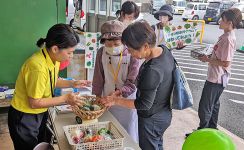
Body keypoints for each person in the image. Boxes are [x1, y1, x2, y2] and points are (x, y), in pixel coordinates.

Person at [8, 23, 91, 150]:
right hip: (25, 116)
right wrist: (65, 99)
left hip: (40, 112)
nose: (71, 56)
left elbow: (52, 80)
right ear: (55, 49)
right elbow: (34, 103)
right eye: (69, 52)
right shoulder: (37, 67)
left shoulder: (53, 59)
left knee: (41, 145)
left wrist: (72, 83)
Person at [100, 20, 175, 150]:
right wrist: (120, 93)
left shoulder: (152, 70)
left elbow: (143, 104)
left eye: (131, 49)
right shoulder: (164, 50)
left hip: (151, 119)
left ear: (145, 46)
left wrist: (115, 101)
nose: (129, 53)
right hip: (164, 113)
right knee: (157, 145)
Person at [186, 8, 242, 137]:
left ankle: (202, 133)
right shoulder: (225, 36)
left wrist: (207, 59)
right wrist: (209, 58)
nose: (219, 21)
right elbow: (220, 56)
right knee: (214, 104)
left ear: (230, 23)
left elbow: (226, 62)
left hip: (216, 78)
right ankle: (211, 129)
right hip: (217, 77)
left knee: (205, 106)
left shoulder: (228, 39)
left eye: (223, 20)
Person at [92, 20, 140, 142]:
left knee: (127, 132)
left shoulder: (131, 53)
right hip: (107, 100)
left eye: (116, 43)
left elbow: (132, 82)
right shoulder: (100, 53)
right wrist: (96, 97)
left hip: (127, 102)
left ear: (123, 42)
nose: (112, 47)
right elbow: (98, 77)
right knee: (107, 132)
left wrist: (118, 94)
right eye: (108, 44)